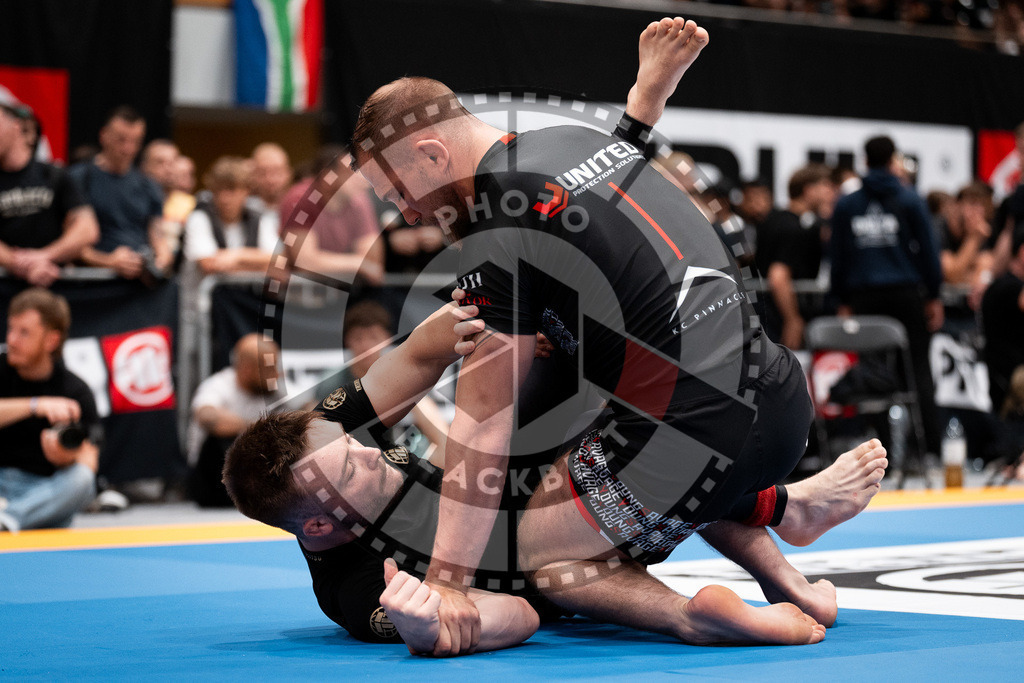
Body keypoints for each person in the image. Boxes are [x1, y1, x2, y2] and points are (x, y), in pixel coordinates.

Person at [350, 17, 885, 654]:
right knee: (608, 420)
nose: (407, 214)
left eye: (400, 193)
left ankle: (690, 616)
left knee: (544, 548)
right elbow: (607, 190)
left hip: (694, 433)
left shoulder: (496, 225)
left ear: (434, 155)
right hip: (781, 397)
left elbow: (484, 422)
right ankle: (787, 548)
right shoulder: (571, 142)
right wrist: (645, 98)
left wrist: (446, 587)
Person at [225, 299, 886, 653]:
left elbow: (418, 355)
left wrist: (483, 314)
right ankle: (696, 613)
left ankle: (787, 561)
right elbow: (515, 614)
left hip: (523, 488)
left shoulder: (324, 441)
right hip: (564, 562)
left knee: (538, 369)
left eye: (355, 444)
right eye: (351, 466)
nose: (370, 451)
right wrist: (432, 629)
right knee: (551, 566)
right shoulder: (359, 589)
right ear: (320, 525)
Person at [830, 134, 944, 458]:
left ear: (865, 161)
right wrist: (934, 295)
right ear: (893, 160)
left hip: (865, 297)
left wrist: (841, 300)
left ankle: (883, 453)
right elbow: (929, 252)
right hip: (906, 294)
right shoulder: (909, 199)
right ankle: (929, 450)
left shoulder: (848, 204)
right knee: (918, 370)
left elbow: (838, 257)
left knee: (872, 372)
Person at [0, 288, 101, 531]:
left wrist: (66, 457)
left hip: (42, 488)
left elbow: (90, 461)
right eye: (11, 329)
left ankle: (11, 517)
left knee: (82, 480)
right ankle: (22, 518)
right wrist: (35, 405)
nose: (11, 340)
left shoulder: (76, 391)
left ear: (51, 341)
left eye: (24, 332)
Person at [0, 102, 99, 287]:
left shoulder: (55, 175)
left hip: (52, 283)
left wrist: (45, 256)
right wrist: (16, 263)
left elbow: (87, 229)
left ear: (15, 126)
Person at [70, 106, 172, 280]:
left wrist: (159, 263)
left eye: (135, 141)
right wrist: (108, 261)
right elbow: (69, 241)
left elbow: (158, 239)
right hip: (92, 281)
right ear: (104, 136)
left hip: (137, 282)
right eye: (121, 140)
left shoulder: (148, 186)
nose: (128, 148)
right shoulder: (79, 178)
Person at [339, 299, 448, 461]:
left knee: (446, 449)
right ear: (347, 341)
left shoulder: (403, 375)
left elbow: (441, 436)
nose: (366, 345)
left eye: (373, 337)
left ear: (387, 338)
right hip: (352, 459)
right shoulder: (332, 383)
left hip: (396, 457)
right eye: (358, 338)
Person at [187, 333, 279, 507]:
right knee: (230, 438)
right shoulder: (218, 386)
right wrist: (255, 428)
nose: (276, 374)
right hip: (214, 480)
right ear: (247, 369)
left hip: (258, 477)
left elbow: (307, 406)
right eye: (269, 368)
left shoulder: (273, 387)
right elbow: (207, 416)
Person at [755, 164, 835, 349]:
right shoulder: (793, 228)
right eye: (826, 186)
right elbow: (778, 276)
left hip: (767, 314)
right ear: (809, 190)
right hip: (780, 317)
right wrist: (793, 319)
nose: (831, 193)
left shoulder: (775, 219)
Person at [278, 145, 384, 285]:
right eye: (350, 171)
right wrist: (358, 264)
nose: (361, 178)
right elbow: (304, 262)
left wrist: (357, 264)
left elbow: (373, 262)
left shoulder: (359, 200)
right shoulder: (299, 199)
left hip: (345, 288)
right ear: (327, 178)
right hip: (301, 288)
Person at [182, 156, 280, 274]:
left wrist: (236, 256)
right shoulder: (199, 218)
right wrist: (258, 263)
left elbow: (277, 260)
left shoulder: (260, 219)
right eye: (218, 190)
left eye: (232, 189)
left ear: (247, 190)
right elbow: (209, 264)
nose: (224, 198)